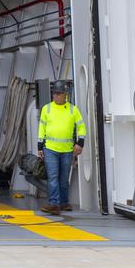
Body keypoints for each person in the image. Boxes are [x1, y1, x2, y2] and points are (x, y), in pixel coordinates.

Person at [37, 80, 86, 214]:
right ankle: (54, 204)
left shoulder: (73, 109)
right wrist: (40, 147)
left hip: (67, 150)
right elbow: (42, 128)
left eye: (60, 93)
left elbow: (81, 126)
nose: (57, 96)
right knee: (53, 177)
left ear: (66, 95)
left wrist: (80, 143)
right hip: (50, 149)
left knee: (64, 179)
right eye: (55, 93)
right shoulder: (46, 109)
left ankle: (64, 203)